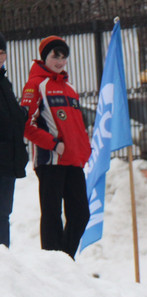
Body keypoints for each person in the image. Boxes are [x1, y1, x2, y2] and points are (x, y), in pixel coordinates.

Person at [20, 35, 91, 258]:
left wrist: (84, 150)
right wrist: (53, 144)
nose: (60, 62)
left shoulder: (70, 88)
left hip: (73, 161)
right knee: (52, 215)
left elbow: (77, 126)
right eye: (55, 56)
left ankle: (64, 260)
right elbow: (26, 124)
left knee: (80, 214)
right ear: (44, 57)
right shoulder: (35, 85)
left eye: (64, 57)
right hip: (50, 161)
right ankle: (53, 263)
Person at [1, 31, 29, 248]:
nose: (0, 57)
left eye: (2, 52)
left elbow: (11, 118)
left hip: (7, 159)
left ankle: (4, 258)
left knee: (3, 213)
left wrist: (23, 114)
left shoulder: (4, 82)